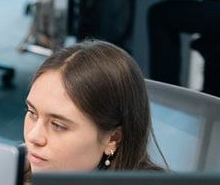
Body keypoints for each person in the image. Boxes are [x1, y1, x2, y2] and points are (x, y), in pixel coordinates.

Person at [24, 40, 163, 178]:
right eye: (32, 113)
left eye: (58, 126)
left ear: (113, 139)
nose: (33, 137)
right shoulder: (13, 170)